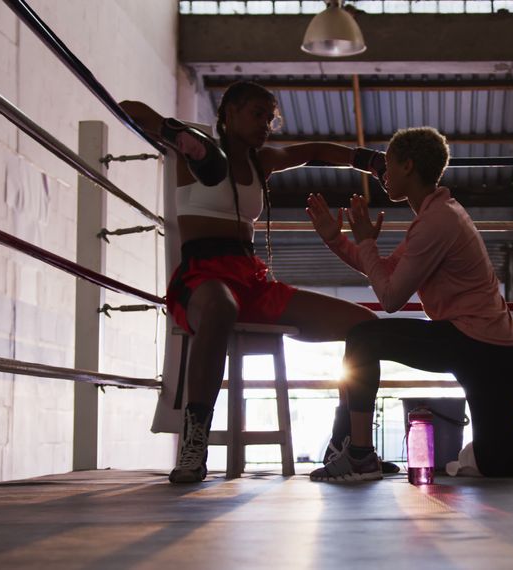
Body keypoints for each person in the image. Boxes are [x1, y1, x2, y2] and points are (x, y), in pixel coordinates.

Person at [305, 127, 513, 482]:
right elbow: (385, 272)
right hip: (502, 351)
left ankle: (360, 455)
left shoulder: (436, 222)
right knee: (494, 459)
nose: (383, 175)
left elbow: (391, 298)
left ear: (409, 166)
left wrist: (365, 241)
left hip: (475, 344)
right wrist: (337, 240)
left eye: (389, 167)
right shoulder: (439, 214)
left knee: (364, 339)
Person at [121, 81, 387, 484]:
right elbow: (130, 106)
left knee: (364, 326)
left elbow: (315, 151)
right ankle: (194, 446)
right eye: (257, 114)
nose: (266, 124)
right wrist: (173, 131)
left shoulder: (262, 161)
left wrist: (370, 161)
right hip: (203, 278)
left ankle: (344, 442)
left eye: (270, 117)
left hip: (251, 280)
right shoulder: (191, 149)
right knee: (221, 307)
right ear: (228, 114)